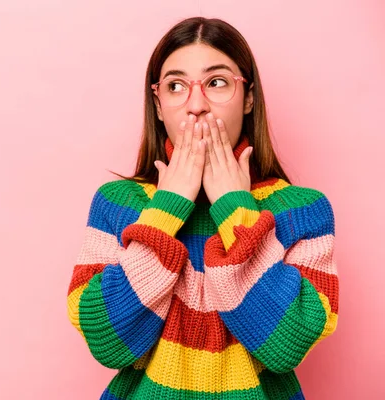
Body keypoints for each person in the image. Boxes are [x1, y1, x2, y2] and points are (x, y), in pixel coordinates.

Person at [66, 17, 339, 400]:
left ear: (248, 98)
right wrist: (166, 210)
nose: (196, 106)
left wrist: (235, 211)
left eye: (216, 83)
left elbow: (284, 346)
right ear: (158, 105)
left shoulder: (304, 211)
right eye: (176, 86)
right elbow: (108, 343)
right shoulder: (117, 202)